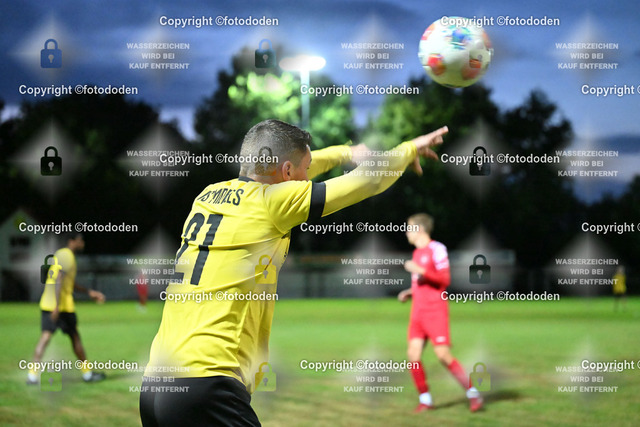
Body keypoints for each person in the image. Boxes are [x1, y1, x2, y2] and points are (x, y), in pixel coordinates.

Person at [140, 119, 448, 426]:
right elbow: (369, 181)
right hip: (206, 383)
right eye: (305, 170)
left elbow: (286, 170)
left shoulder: (207, 197)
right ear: (287, 171)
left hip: (156, 385)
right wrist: (409, 148)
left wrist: (344, 153)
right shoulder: (271, 203)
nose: (307, 178)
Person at [397, 213, 482, 412]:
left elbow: (444, 280)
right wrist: (410, 292)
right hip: (417, 312)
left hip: (435, 310)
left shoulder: (437, 249)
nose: (406, 232)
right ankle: (425, 400)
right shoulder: (417, 253)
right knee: (413, 355)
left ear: (419, 229)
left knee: (443, 355)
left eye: (409, 228)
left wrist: (421, 270)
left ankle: (473, 393)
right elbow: (422, 283)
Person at [27, 233, 107, 385]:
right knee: (74, 337)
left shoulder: (61, 254)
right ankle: (87, 374)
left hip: (48, 303)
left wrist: (89, 292)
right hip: (61, 306)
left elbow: (68, 282)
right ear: (72, 241)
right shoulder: (67, 255)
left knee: (45, 338)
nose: (82, 243)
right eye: (80, 240)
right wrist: (57, 307)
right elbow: (59, 278)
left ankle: (32, 376)